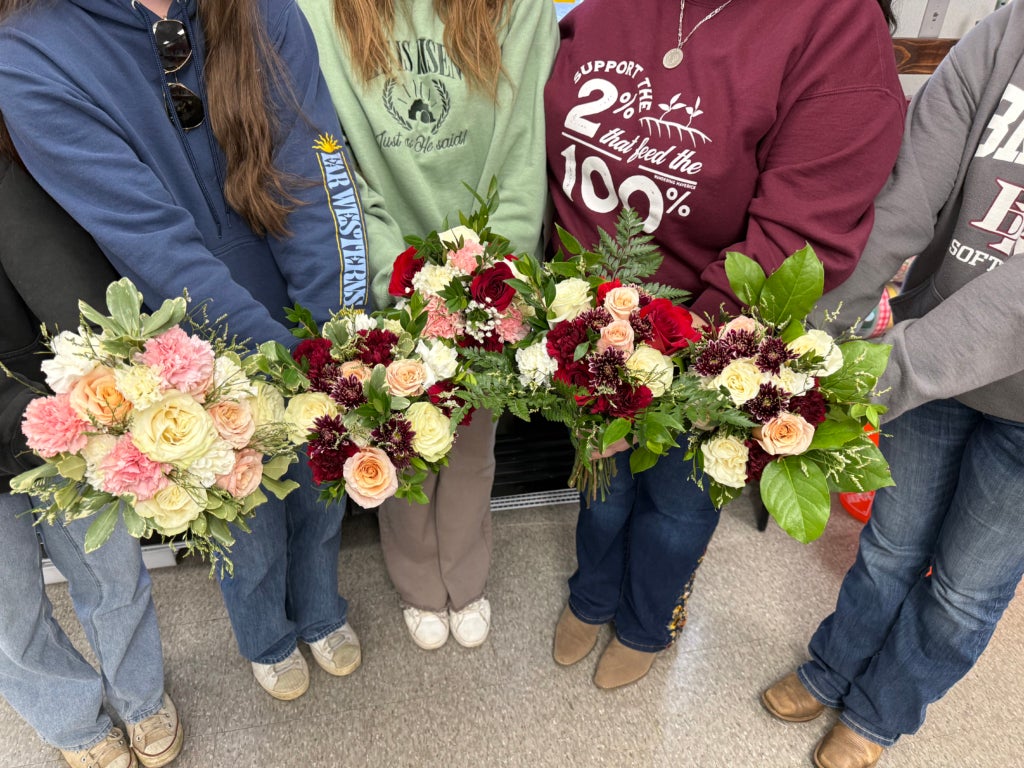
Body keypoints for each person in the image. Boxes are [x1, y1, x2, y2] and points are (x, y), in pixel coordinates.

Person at [0, 0, 373, 701]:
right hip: (187, 346)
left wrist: (339, 337)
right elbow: (152, 243)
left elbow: (322, 171)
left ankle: (322, 610)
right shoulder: (29, 55)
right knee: (245, 518)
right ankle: (266, 637)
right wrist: (282, 371)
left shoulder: (266, 12)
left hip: (305, 310)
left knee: (321, 492)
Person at [544, 0, 905, 689]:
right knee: (602, 489)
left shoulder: (837, 26)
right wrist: (575, 334)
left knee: (677, 507)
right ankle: (590, 597)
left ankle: (647, 623)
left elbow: (799, 235)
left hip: (721, 345)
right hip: (597, 331)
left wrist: (652, 379)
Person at [762, 4, 1024, 766]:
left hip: (975, 388)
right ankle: (835, 666)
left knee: (966, 589)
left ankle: (879, 712)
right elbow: (906, 197)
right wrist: (822, 332)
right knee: (888, 544)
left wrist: (884, 370)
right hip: (933, 362)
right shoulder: (1004, 34)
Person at [297, 0, 558, 649]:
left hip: (489, 278)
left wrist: (491, 282)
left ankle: (465, 578)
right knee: (401, 441)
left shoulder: (521, 8)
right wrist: (404, 278)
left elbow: (523, 153)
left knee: (472, 445)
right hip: (388, 274)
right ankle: (417, 582)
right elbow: (337, 162)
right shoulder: (314, 13)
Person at [0, 152, 182, 768]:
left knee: (108, 568)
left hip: (44, 405)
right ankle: (72, 722)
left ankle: (139, 697)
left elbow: (63, 281)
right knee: (6, 610)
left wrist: (105, 389)